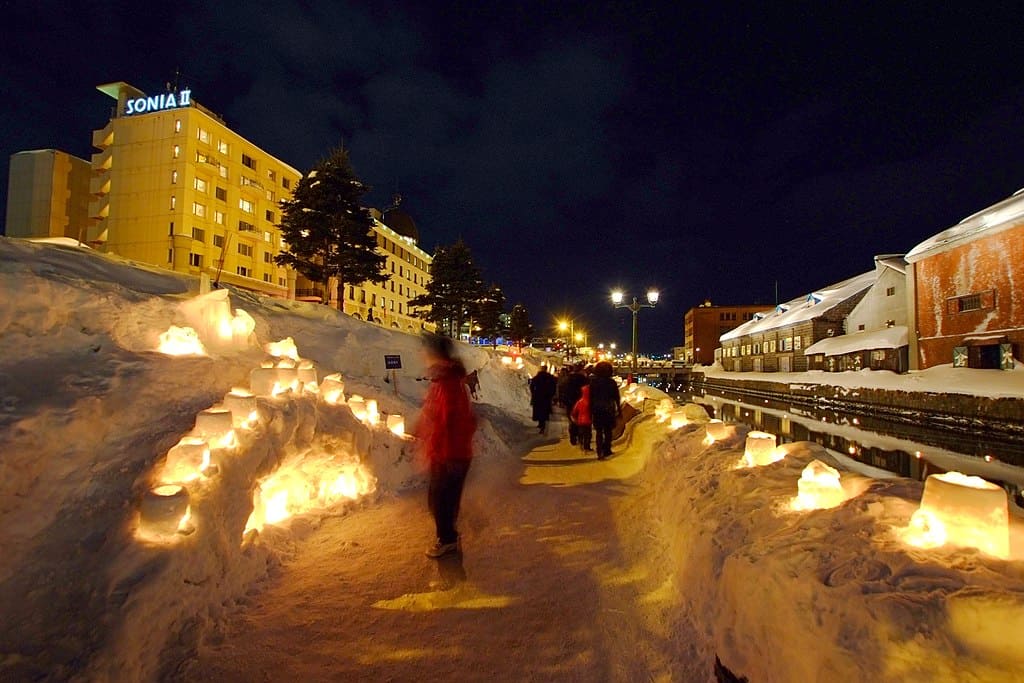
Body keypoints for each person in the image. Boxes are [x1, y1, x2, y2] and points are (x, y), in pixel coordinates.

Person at [414, 333, 476, 558]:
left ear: (436, 354)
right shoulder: (443, 380)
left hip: (451, 454)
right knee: (440, 500)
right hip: (446, 452)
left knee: (441, 501)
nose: (424, 356)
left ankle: (448, 539)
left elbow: (451, 422)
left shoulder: (448, 384)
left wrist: (445, 455)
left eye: (427, 352)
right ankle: (448, 535)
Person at [588, 361, 621, 459]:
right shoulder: (612, 382)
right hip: (608, 409)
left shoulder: (593, 382)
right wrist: (619, 409)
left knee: (599, 431)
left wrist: (590, 410)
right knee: (608, 431)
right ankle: (607, 449)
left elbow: (591, 397)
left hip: (597, 409)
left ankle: (599, 451)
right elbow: (616, 397)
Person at [529, 364, 558, 434]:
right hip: (546, 398)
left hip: (538, 397)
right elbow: (554, 387)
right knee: (544, 412)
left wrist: (534, 393)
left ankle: (540, 423)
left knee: (539, 410)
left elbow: (531, 385)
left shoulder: (537, 377)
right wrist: (551, 394)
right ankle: (542, 425)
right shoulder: (550, 377)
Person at [570, 385, 593, 452]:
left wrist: (574, 419)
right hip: (588, 420)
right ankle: (587, 447)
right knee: (588, 434)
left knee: (581, 433)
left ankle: (581, 443)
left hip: (580, 421)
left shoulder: (579, 402)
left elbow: (574, 411)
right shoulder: (590, 402)